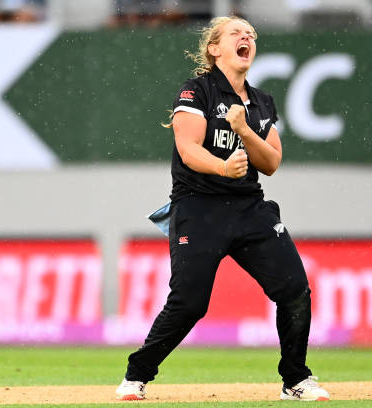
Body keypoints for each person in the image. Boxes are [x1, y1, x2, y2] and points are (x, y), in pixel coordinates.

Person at [115, 15, 330, 402]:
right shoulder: (196, 91)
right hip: (198, 207)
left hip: (249, 208)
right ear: (215, 49)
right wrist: (223, 167)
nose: (246, 36)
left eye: (251, 34)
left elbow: (271, 162)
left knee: (295, 290)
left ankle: (295, 379)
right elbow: (188, 149)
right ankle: (137, 375)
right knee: (189, 303)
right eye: (236, 32)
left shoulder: (261, 102)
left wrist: (245, 130)